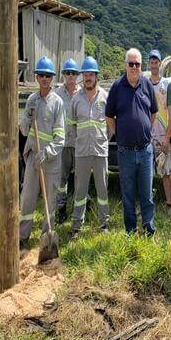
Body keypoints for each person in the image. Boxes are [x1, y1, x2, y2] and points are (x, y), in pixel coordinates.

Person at [105, 48, 158, 235]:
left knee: (147, 195)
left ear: (141, 66)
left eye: (137, 64)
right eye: (131, 64)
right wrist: (117, 133)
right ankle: (131, 231)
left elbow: (154, 112)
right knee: (128, 195)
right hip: (125, 151)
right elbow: (109, 115)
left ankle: (149, 230)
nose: (134, 67)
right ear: (125, 65)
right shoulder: (117, 87)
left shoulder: (147, 85)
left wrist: (144, 129)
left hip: (145, 150)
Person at [19, 56, 65, 248]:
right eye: (42, 75)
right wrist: (28, 116)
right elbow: (22, 130)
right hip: (32, 158)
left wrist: (46, 152)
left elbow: (61, 137)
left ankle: (47, 238)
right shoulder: (31, 100)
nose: (45, 79)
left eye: (48, 75)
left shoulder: (57, 103)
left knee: (50, 203)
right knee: (28, 198)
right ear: (36, 77)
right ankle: (23, 236)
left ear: (52, 78)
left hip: (50, 161)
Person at [68, 56, 110, 238]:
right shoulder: (76, 99)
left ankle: (104, 224)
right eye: (85, 74)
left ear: (96, 76)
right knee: (80, 190)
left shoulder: (105, 97)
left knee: (102, 189)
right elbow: (71, 125)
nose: (88, 77)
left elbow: (110, 124)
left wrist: (104, 139)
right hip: (82, 151)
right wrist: (80, 141)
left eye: (91, 74)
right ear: (82, 77)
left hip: (100, 150)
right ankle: (77, 226)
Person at [148, 49, 171, 218]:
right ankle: (146, 205)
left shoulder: (167, 84)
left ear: (160, 64)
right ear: (149, 64)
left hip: (162, 136)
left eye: (156, 62)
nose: (154, 65)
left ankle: (169, 205)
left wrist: (167, 136)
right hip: (147, 136)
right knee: (146, 173)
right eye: (151, 62)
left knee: (166, 173)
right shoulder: (144, 83)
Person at [54, 58, 80, 224]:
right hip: (63, 145)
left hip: (79, 144)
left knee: (81, 178)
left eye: (74, 73)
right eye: (68, 73)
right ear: (63, 75)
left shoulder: (83, 94)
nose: (71, 76)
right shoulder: (57, 95)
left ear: (78, 75)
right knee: (61, 180)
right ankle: (61, 209)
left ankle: (80, 208)